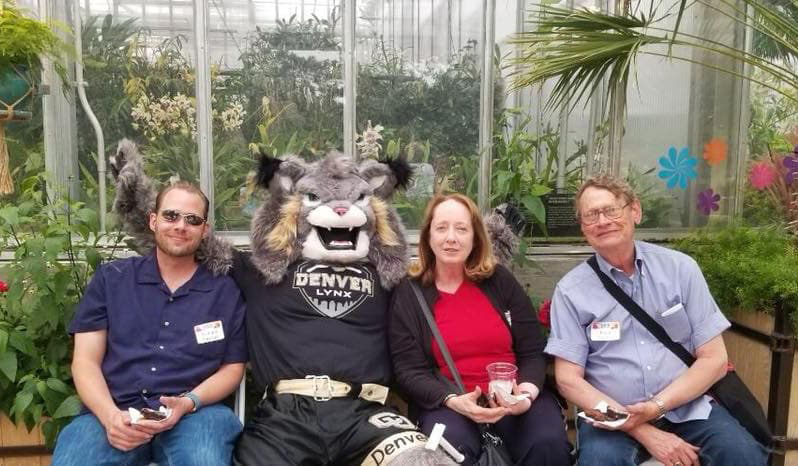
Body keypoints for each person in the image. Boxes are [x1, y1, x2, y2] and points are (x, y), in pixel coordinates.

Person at [545, 174, 768, 466]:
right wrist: (640, 427)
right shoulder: (571, 291)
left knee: (743, 456)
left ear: (634, 210)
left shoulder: (680, 270)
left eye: (611, 210)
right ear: (583, 227)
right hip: (611, 418)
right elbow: (568, 380)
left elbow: (714, 359)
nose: (602, 221)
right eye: (591, 215)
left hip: (688, 407)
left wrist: (656, 407)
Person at [52, 181, 247, 466]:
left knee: (204, 459)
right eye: (171, 216)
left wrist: (189, 402)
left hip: (196, 413)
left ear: (204, 230)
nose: (181, 226)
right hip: (115, 409)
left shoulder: (225, 291)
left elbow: (233, 367)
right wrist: (110, 417)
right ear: (153, 221)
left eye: (192, 220)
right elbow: (85, 361)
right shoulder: (112, 279)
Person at [389, 193, 572, 466]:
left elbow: (532, 351)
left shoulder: (498, 281)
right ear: (428, 236)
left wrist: (525, 394)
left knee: (546, 442)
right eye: (442, 228)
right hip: (448, 402)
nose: (451, 237)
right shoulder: (409, 293)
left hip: (513, 397)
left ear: (475, 237)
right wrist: (452, 399)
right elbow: (408, 369)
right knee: (449, 450)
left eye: (461, 229)